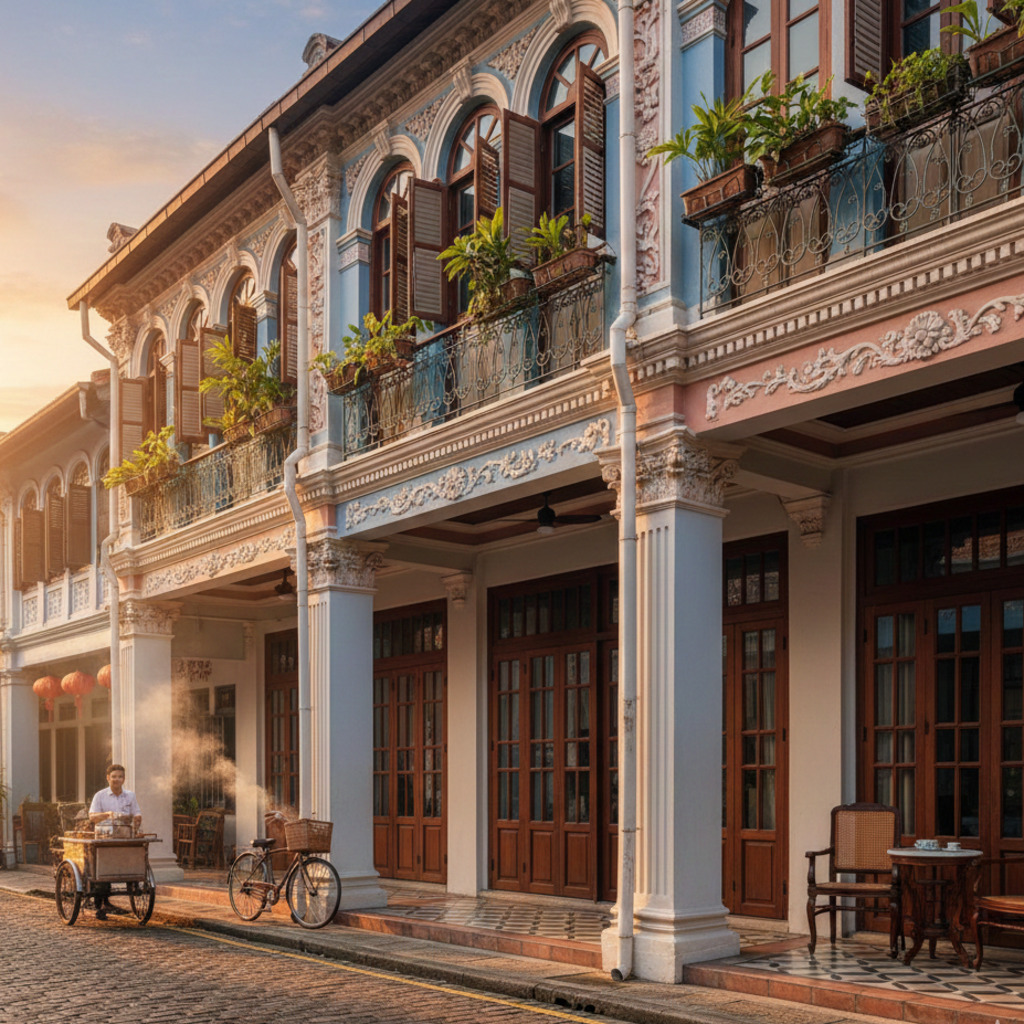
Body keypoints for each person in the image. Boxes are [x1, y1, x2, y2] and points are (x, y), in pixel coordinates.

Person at [88, 764, 142, 919]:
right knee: (104, 867)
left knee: (137, 851)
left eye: (120, 777)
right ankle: (101, 904)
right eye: (114, 777)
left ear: (123, 779)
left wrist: (137, 822)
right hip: (105, 837)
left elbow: (137, 814)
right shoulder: (100, 796)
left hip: (125, 836)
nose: (117, 780)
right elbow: (92, 817)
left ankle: (135, 882)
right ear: (108, 778)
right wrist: (107, 815)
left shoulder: (130, 796)